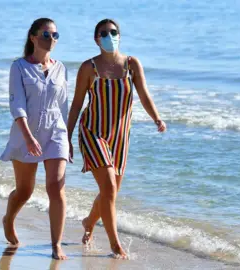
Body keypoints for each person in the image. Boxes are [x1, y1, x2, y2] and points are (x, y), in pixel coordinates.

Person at [66, 18, 167, 259]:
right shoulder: (88, 68)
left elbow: (143, 94)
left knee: (109, 193)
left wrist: (157, 119)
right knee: (109, 188)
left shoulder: (132, 64)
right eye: (104, 33)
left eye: (113, 32)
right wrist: (66, 138)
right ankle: (115, 245)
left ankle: (88, 222)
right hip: (93, 132)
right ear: (96, 39)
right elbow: (77, 104)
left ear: (119, 36)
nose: (109, 36)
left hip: (120, 137)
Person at [0, 17, 69, 260]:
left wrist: (68, 140)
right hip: (25, 132)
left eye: (55, 35)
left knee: (56, 187)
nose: (51, 39)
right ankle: (9, 219)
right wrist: (28, 137)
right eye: (46, 34)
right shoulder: (18, 67)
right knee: (25, 191)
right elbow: (17, 105)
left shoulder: (61, 68)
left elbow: (64, 107)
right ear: (33, 37)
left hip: (55, 132)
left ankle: (56, 244)